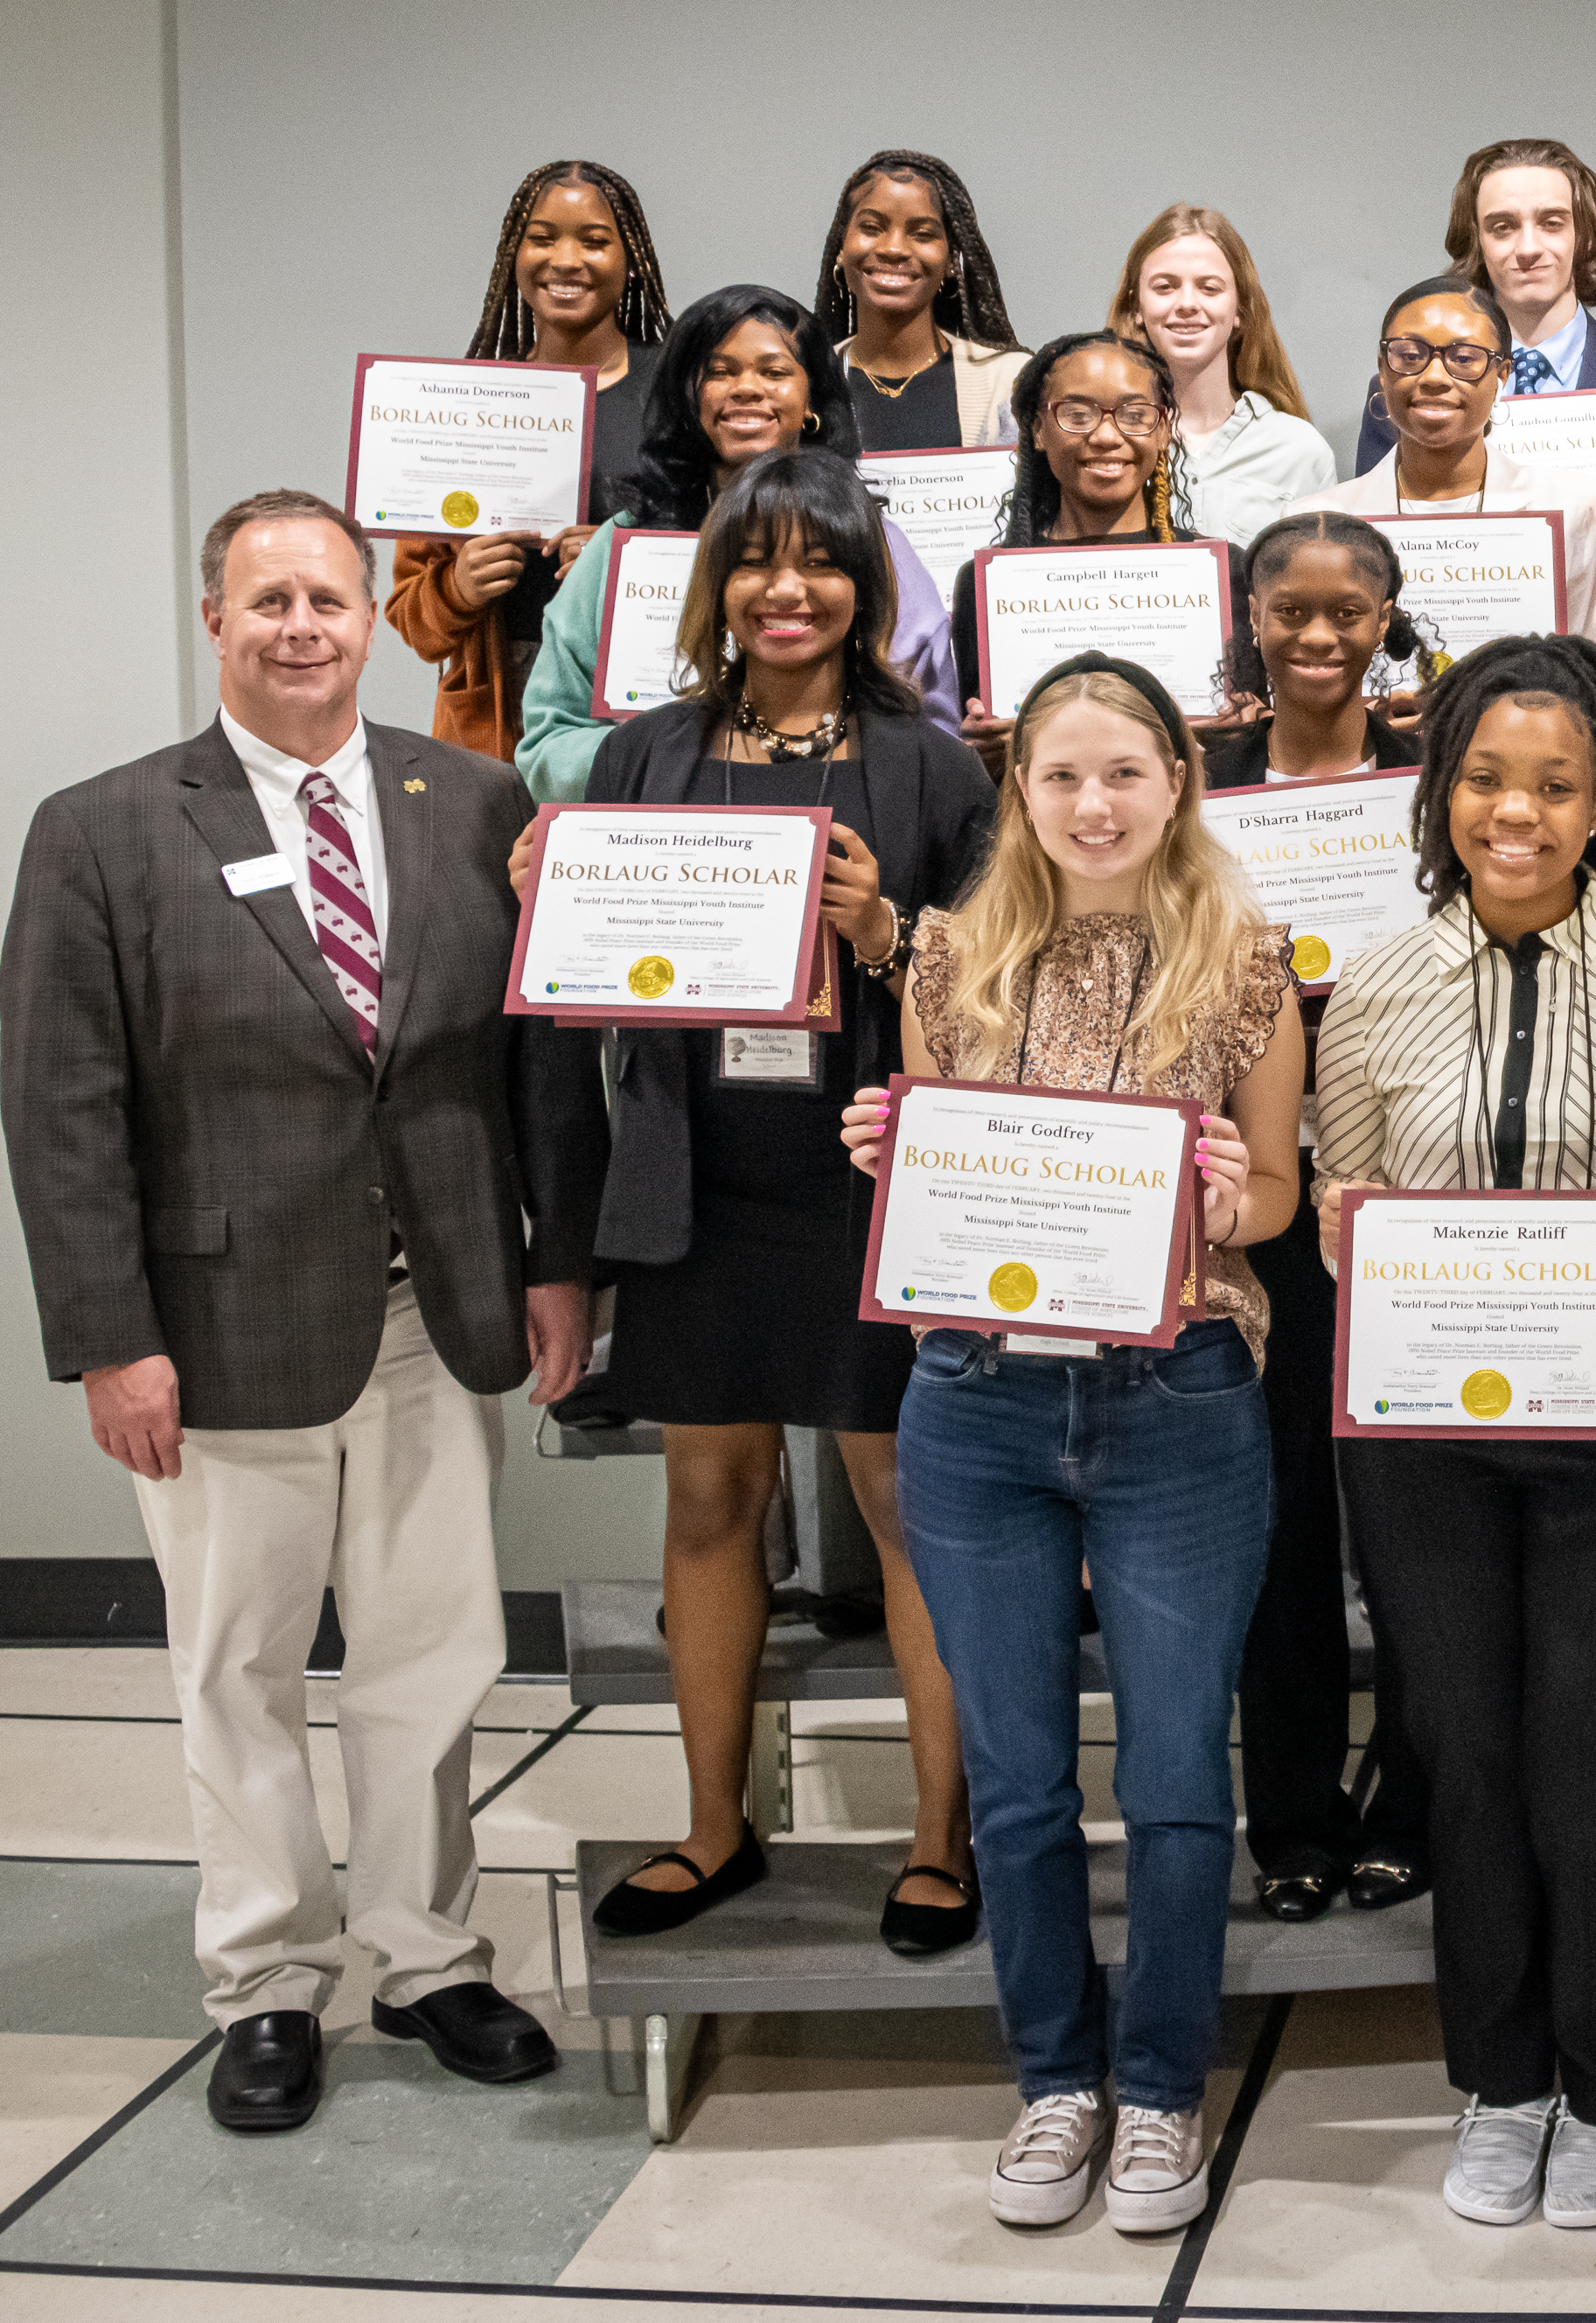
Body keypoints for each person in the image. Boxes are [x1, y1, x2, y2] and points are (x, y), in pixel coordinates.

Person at [0, 490, 600, 2132]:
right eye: (264, 599)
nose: (298, 628)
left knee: (432, 1656)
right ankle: (266, 1975)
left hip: (436, 1314)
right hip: (213, 1334)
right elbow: (61, 1105)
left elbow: (534, 1056)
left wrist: (558, 1260)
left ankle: (425, 1951)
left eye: (325, 597)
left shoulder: (472, 801)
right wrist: (108, 1335)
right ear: (214, 620)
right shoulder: (104, 828)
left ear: (364, 613)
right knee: (239, 1670)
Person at [837, 653, 1301, 2236]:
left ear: (1178, 779)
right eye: (1061, 775)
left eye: (1125, 772)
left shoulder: (1245, 958)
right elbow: (939, 1175)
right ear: (1015, 788)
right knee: (1020, 1782)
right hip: (975, 1401)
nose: (1093, 804)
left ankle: (1161, 2087)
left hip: (1177, 1396)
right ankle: (1056, 2079)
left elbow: (1281, 1200)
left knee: (1176, 1772)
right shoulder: (948, 952)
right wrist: (888, 1147)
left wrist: (1233, 1197)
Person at [1312, 637, 1596, 2230]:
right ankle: (1498, 2078)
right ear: (1442, 790)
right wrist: (1371, 1234)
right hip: (1420, 1429)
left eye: (1555, 784)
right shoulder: (1376, 975)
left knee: (1590, 1758)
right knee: (1468, 1754)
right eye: (1488, 778)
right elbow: (1342, 1195)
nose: (1518, 810)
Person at [559, 452, 993, 1955]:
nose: (785, 587)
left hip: (868, 1180)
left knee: (904, 1507)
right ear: (718, 585)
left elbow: (995, 993)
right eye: (756, 560)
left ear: (865, 586)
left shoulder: (930, 764)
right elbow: (597, 981)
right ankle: (715, 1825)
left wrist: (886, 931)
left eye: (819, 561)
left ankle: (943, 1838)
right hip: (702, 1183)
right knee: (707, 1497)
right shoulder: (643, 754)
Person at [1203, 514, 1434, 1922]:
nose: (1317, 636)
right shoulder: (1203, 786)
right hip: (1256, 1187)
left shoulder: (1430, 781)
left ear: (1389, 616)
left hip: (1416, 1181)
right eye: (1289, 609)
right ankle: (1287, 1812)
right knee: (1277, 1518)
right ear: (1248, 613)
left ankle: (1410, 1792)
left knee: (1406, 1514)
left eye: (1348, 610)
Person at [515, 284, 959, 804]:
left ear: (812, 396)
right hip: (652, 841)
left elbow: (930, 730)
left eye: (774, 372)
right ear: (688, 395)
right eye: (721, 372)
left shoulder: (875, 543)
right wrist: (676, 764)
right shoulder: (623, 543)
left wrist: (778, 765)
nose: (747, 388)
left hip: (836, 823)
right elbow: (550, 742)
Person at [1352, 141, 1596, 699]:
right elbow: (1383, 576)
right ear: (1475, 241)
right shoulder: (1408, 398)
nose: (1529, 248)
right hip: (1440, 708)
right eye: (1502, 227)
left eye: (1552, 223)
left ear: (1584, 235)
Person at [386, 160, 673, 760]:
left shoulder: (681, 395)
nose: (565, 260)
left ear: (632, 259)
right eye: (542, 238)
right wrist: (460, 588)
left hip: (650, 698)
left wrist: (620, 563)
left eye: (594, 241)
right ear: (513, 257)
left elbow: (727, 560)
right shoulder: (465, 406)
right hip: (500, 711)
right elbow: (414, 620)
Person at [1293, 278, 1596, 678]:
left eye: (1464, 358)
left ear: (1502, 375)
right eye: (1409, 355)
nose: (1435, 376)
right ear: (1382, 370)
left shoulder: (1576, 505)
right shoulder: (1316, 522)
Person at [945, 330, 1228, 765]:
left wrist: (1239, 728)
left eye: (1135, 414)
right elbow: (978, 742)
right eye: (1077, 415)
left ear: (1164, 429)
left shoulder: (1223, 571)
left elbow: (1243, 743)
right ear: (1038, 430)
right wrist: (985, 746)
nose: (1106, 436)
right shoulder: (984, 583)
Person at [1112, 203, 1338, 543]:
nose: (1187, 303)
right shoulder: (1106, 442)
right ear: (1136, 308)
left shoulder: (1300, 450)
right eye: (1165, 287)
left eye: (1210, 288)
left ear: (1240, 311)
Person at [812, 149, 1028, 453]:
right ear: (840, 247)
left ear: (951, 261)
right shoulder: (807, 383)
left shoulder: (1009, 384)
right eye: (872, 228)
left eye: (923, 234)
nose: (894, 249)